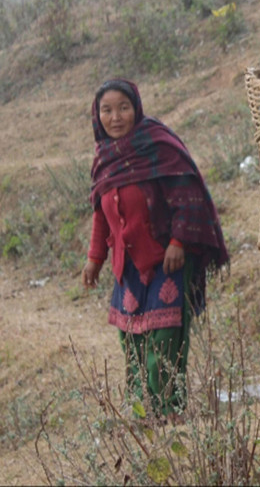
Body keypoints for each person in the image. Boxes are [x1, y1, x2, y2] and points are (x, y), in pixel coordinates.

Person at [80, 79, 229, 422]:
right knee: (132, 339)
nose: (115, 117)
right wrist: (94, 260)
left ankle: (168, 411)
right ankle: (141, 409)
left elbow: (187, 196)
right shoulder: (104, 159)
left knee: (164, 337)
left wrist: (178, 242)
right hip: (127, 265)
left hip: (167, 260)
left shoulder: (159, 146)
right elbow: (101, 214)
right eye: (107, 110)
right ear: (96, 115)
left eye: (123, 108)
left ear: (136, 108)